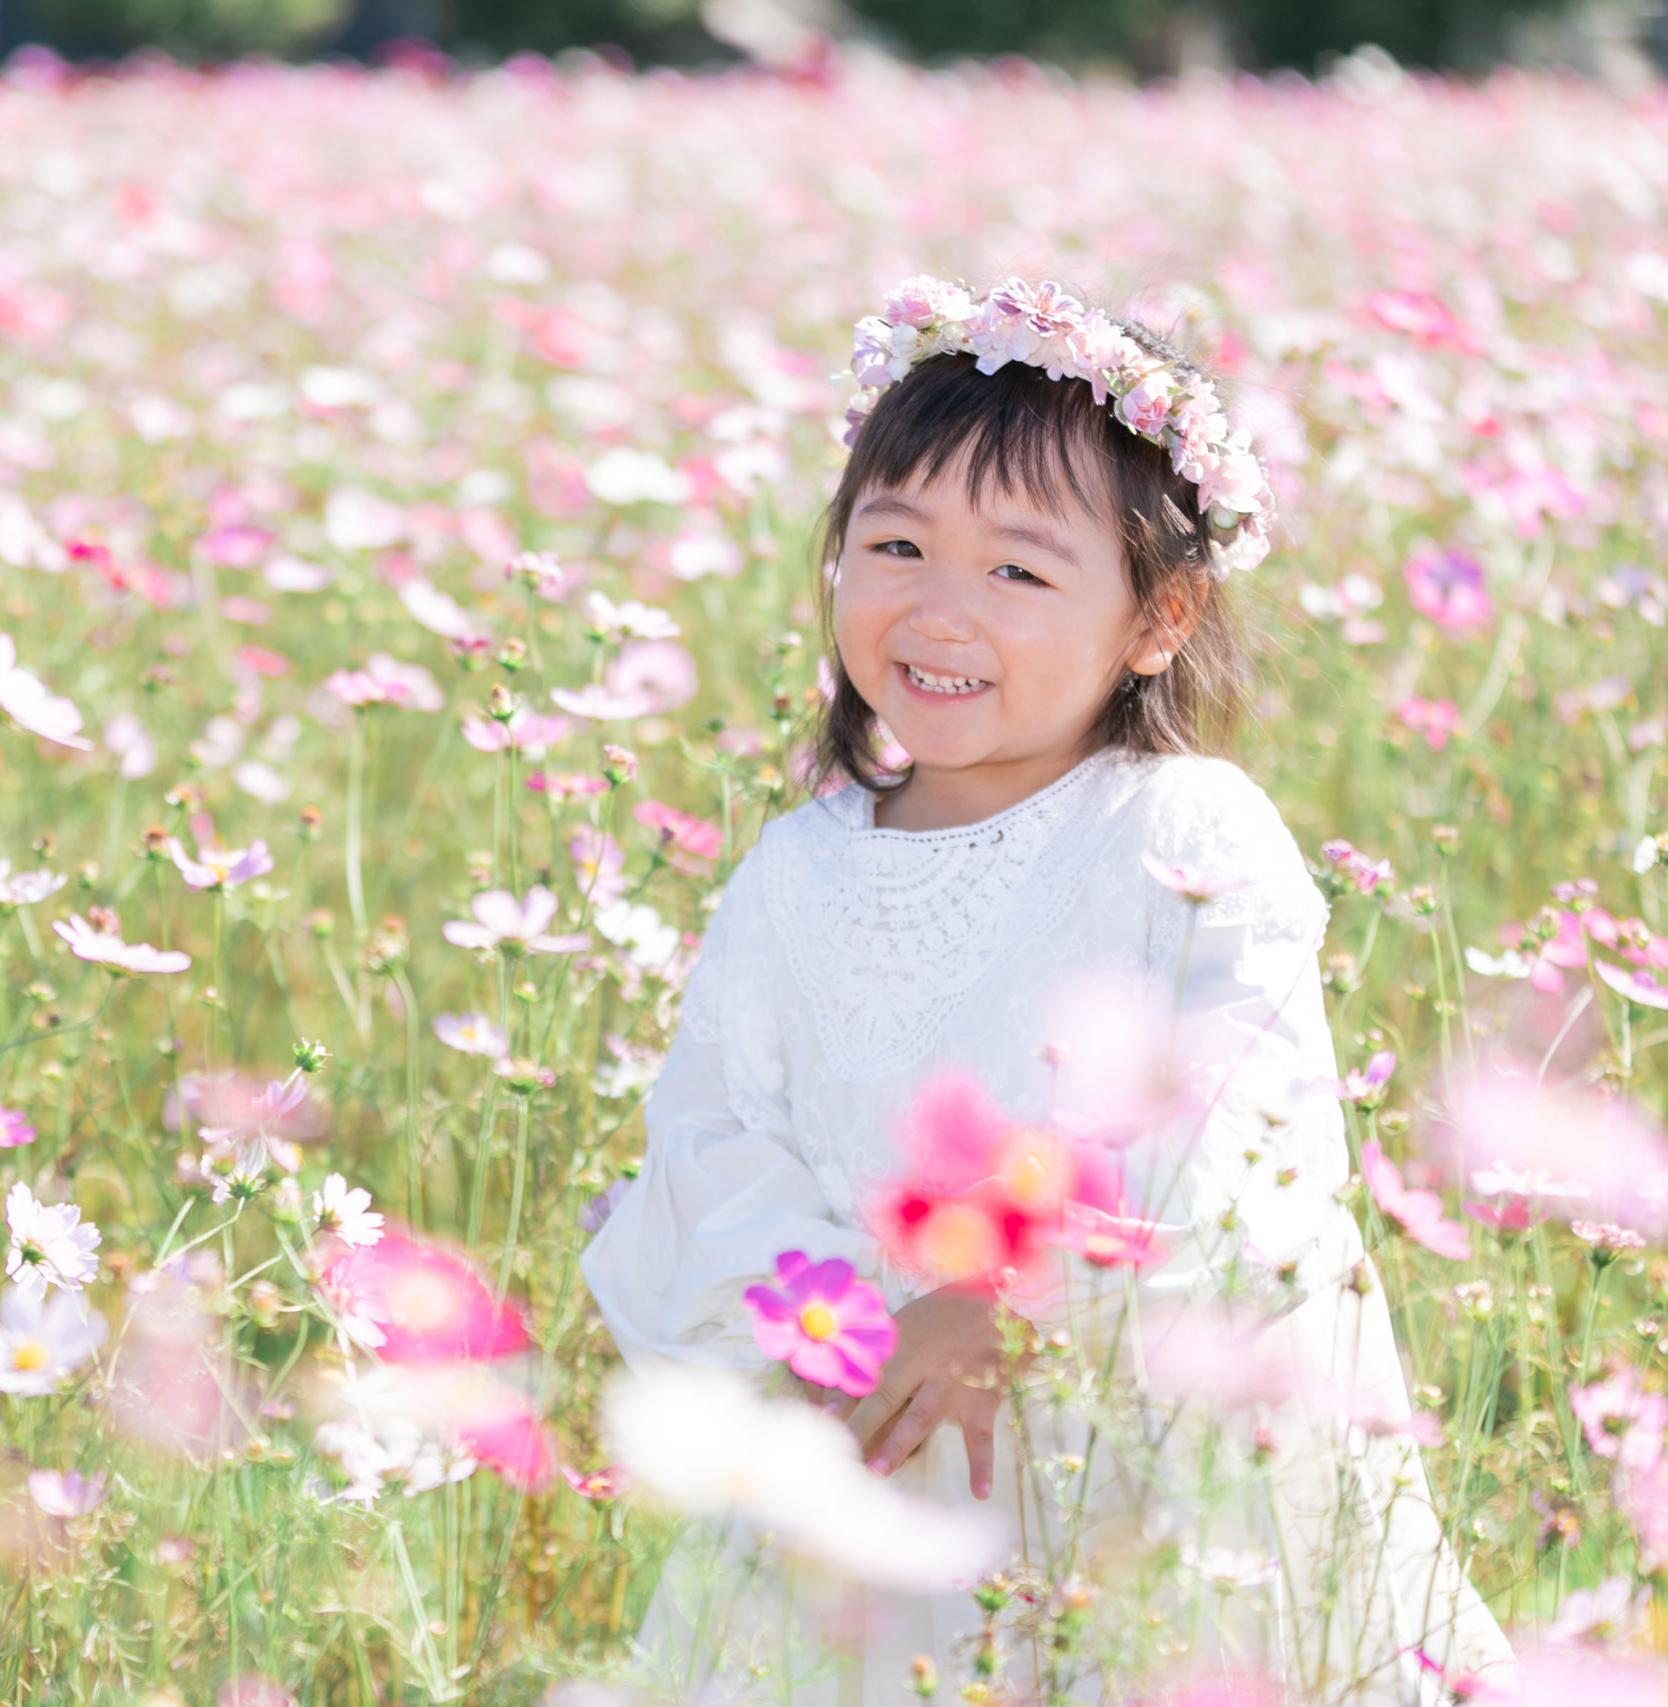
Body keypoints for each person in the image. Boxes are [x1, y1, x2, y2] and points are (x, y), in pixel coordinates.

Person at [578, 277, 1513, 1705]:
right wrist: (839, 1324)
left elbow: (1235, 1140)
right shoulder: (795, 868)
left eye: (1019, 571)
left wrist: (1009, 1303)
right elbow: (716, 1138)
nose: (941, 610)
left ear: (1159, 617)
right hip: (865, 1430)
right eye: (894, 544)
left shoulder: (1184, 835)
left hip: (1129, 1449)